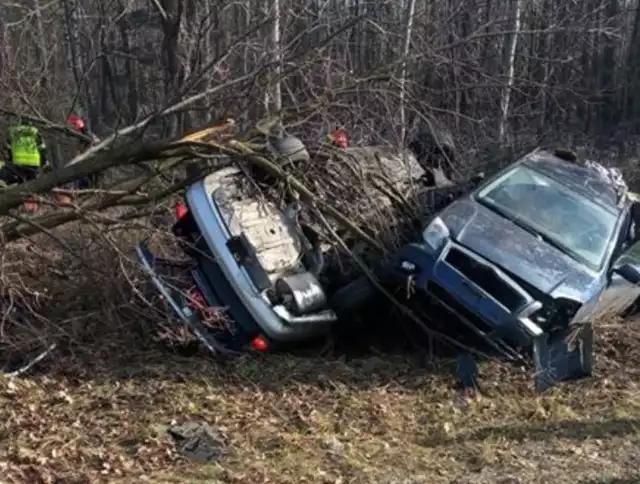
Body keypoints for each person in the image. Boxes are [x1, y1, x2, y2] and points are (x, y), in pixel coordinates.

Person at [0, 121, 48, 186]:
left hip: (19, 164)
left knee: (4, 169)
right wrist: (43, 163)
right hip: (33, 166)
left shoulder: (14, 134)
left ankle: (3, 183)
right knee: (29, 179)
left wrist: (11, 159)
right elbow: (42, 150)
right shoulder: (36, 134)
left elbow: (9, 150)